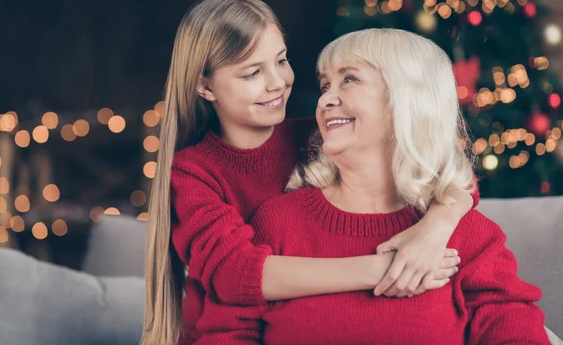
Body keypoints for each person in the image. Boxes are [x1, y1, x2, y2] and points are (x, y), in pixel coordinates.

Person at [141, 0, 478, 345]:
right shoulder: (193, 172)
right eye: (252, 72)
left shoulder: (319, 137)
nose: (277, 82)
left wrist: (435, 229)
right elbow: (235, 275)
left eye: (281, 60)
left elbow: (442, 173)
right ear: (204, 85)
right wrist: (389, 267)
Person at [195, 28, 550, 344]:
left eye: (349, 79)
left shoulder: (465, 234)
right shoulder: (278, 222)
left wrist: (442, 216)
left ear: (407, 98)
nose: (326, 99)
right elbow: (228, 331)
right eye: (325, 85)